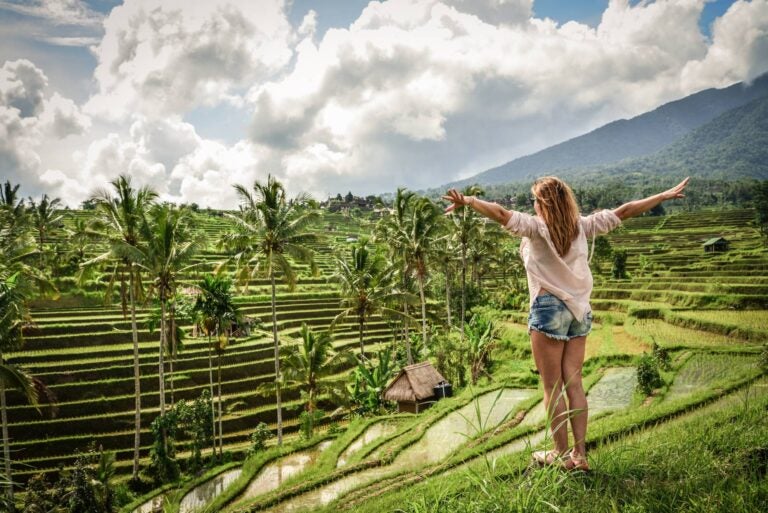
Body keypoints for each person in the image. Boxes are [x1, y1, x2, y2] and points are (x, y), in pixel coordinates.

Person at [443, 176, 690, 471]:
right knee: (575, 383)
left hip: (548, 309)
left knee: (552, 387)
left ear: (543, 204)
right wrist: (661, 194)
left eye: (535, 200)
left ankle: (560, 455)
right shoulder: (582, 227)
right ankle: (580, 455)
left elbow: (500, 213)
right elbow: (625, 211)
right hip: (580, 312)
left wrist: (469, 201)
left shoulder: (535, 227)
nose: (532, 205)